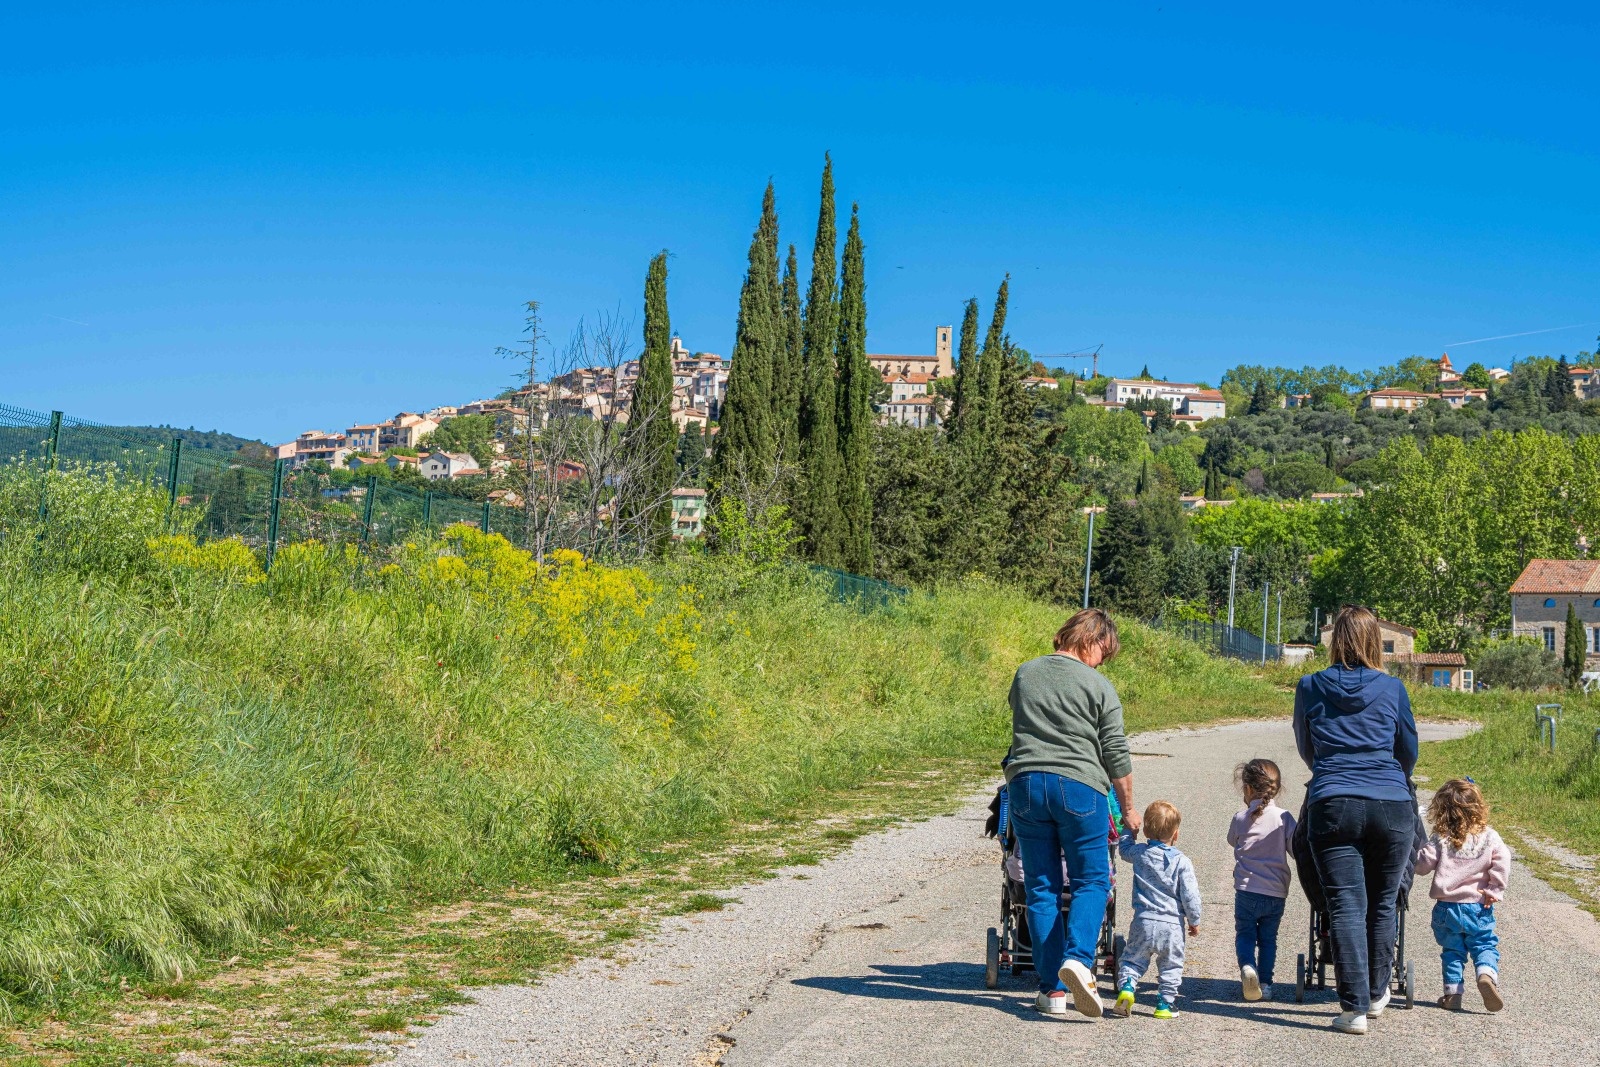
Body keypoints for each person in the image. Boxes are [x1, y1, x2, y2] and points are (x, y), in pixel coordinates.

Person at [1005, 607, 1140, 1019]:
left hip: (1025, 784)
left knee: (1041, 887)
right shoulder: (1098, 685)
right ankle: (1080, 959)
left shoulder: (1025, 673)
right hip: (1079, 787)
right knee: (1093, 879)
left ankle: (1052, 993)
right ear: (1091, 639)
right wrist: (1130, 808)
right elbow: (1115, 751)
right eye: (1105, 650)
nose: (1104, 659)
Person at [1293, 605, 1419, 1035]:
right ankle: (1379, 991)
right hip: (1392, 803)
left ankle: (1353, 1008)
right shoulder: (1393, 688)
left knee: (1346, 905)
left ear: (1334, 641)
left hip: (1334, 800)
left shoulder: (1309, 686)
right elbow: (1408, 751)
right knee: (1383, 902)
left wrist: (1331, 768)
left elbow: (1305, 747)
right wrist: (1388, 776)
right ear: (1372, 642)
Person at [1415, 778, 1511, 1013]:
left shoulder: (1442, 837)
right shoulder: (1489, 837)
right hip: (1479, 906)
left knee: (1453, 951)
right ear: (1478, 807)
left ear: (1443, 810)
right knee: (1483, 943)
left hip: (1447, 908)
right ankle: (1486, 974)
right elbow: (1503, 861)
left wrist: (1415, 856)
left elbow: (1422, 866)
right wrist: (1494, 889)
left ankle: (1453, 994)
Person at [1111, 801, 1202, 1020]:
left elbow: (1123, 850)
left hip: (1143, 920)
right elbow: (1190, 895)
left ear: (1145, 831)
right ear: (1176, 834)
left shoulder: (1140, 853)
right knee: (1171, 965)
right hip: (1171, 926)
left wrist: (1127, 830)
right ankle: (1164, 1004)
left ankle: (1128, 987)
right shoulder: (1182, 862)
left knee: (1132, 959)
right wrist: (1194, 919)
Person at [1228, 758, 1296, 1003]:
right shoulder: (1284, 818)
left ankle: (1248, 967)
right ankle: (1265, 984)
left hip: (1246, 891)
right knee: (1268, 939)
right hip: (1276, 892)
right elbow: (1294, 848)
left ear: (1247, 789)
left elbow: (1231, 840)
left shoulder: (1240, 817)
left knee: (1245, 934)